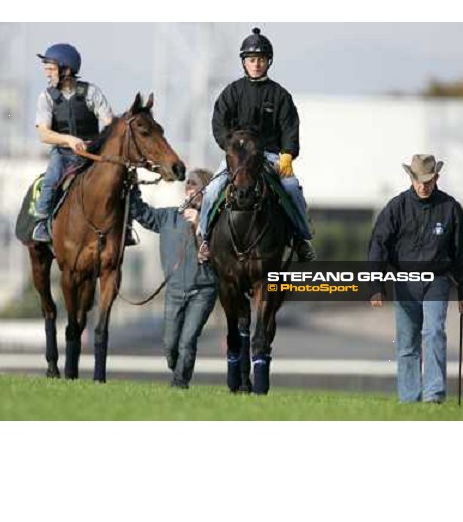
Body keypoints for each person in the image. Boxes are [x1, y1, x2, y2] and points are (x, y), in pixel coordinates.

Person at [197, 27, 315, 262]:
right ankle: (205, 240)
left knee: (291, 188)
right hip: (238, 158)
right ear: (244, 62)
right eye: (252, 59)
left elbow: (290, 127)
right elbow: (219, 124)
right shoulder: (232, 92)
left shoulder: (280, 95)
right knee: (211, 191)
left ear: (268, 62)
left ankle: (302, 239)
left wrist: (287, 155)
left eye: (261, 59)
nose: (256, 64)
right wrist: (231, 150)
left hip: (271, 156)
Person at [369, 154, 463, 403]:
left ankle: (434, 395)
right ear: (411, 177)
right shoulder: (396, 207)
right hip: (404, 282)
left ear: (436, 177)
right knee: (407, 343)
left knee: (434, 331)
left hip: (437, 281)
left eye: (427, 180)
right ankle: (409, 398)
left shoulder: (450, 208)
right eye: (418, 180)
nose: (422, 185)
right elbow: (378, 244)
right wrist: (376, 284)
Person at [130, 169, 218, 389]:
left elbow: (222, 253)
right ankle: (178, 370)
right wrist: (132, 188)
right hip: (174, 291)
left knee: (187, 341)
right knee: (170, 346)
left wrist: (200, 224)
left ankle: (180, 384)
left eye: (195, 186)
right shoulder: (168, 217)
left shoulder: (216, 222)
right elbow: (142, 213)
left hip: (203, 291)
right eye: (187, 186)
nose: (189, 190)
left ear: (206, 192)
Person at [32, 43, 114, 242]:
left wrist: (98, 145)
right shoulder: (46, 97)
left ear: (66, 70)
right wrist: (68, 139)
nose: (47, 74)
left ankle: (126, 225)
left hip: (90, 154)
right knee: (51, 179)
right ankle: (41, 223)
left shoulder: (91, 93)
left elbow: (110, 123)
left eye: (51, 69)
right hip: (62, 154)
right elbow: (43, 134)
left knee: (118, 178)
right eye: (46, 69)